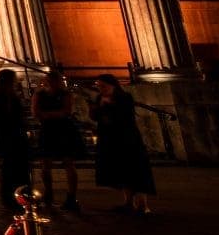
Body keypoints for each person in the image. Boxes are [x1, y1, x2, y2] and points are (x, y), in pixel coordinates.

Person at [92, 74, 155, 215]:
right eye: (98, 86)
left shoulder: (124, 98)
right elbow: (95, 117)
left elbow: (126, 116)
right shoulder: (99, 98)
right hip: (110, 138)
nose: (100, 89)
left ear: (113, 85)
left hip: (128, 139)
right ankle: (128, 202)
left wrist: (108, 106)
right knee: (121, 170)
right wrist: (98, 108)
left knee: (135, 169)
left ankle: (142, 204)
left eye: (103, 86)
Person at [34, 70, 86, 213]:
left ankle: (68, 196)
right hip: (54, 129)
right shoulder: (42, 95)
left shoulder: (62, 94)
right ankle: (51, 193)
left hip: (60, 130)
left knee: (66, 163)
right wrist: (56, 114)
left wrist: (47, 115)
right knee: (48, 163)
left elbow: (66, 112)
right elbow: (36, 112)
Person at [0, 68, 32, 220]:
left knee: (16, 168)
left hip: (12, 137)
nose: (17, 81)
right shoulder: (1, 98)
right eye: (14, 79)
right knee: (12, 169)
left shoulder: (4, 96)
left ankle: (20, 196)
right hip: (10, 138)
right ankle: (15, 197)